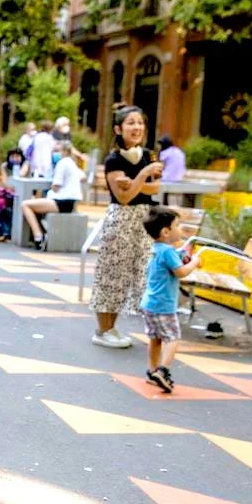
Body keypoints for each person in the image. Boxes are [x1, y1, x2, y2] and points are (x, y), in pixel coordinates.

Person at [89, 105, 164, 348]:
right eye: (131, 123)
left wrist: (133, 183)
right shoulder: (113, 159)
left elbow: (155, 188)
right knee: (112, 274)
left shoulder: (149, 155)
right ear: (118, 129)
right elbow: (123, 198)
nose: (137, 127)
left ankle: (112, 328)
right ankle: (103, 330)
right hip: (121, 220)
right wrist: (142, 176)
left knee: (135, 273)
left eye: (140, 122)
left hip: (144, 220)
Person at [140, 207, 202, 393]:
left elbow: (171, 262)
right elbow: (181, 272)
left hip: (150, 304)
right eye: (177, 225)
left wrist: (182, 255)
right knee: (172, 338)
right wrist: (194, 262)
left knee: (155, 339)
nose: (180, 228)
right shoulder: (168, 251)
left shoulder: (157, 249)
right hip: (163, 305)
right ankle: (163, 371)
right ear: (166, 232)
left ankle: (152, 372)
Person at [20, 141, 86, 249]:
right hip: (70, 202)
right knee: (36, 206)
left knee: (25, 205)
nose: (55, 153)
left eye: (57, 151)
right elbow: (82, 177)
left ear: (64, 151)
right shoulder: (72, 163)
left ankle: (38, 236)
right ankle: (42, 233)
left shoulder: (62, 163)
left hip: (61, 202)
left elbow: (56, 186)